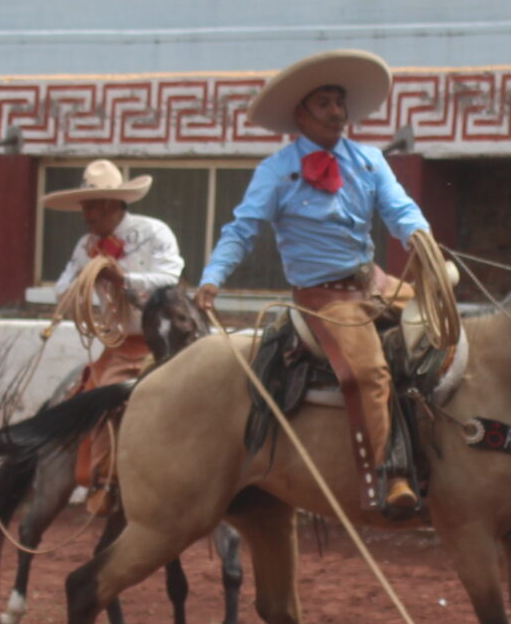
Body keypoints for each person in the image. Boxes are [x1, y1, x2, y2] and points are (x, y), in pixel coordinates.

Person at [196, 50, 434, 522]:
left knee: (446, 332)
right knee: (368, 373)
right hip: (325, 298)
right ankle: (390, 474)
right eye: (323, 103)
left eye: (339, 102)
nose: (335, 111)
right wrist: (212, 278)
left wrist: (421, 240)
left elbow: (400, 211)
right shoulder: (276, 171)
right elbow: (242, 230)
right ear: (301, 114)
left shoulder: (368, 160)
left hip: (375, 283)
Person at [44, 160, 185, 510]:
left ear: (111, 203)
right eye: (84, 205)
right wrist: (87, 284)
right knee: (96, 399)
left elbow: (170, 278)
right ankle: (105, 479)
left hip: (165, 339)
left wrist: (122, 279)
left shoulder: (155, 233)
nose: (85, 213)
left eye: (90, 205)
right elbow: (63, 288)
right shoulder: (86, 246)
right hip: (119, 345)